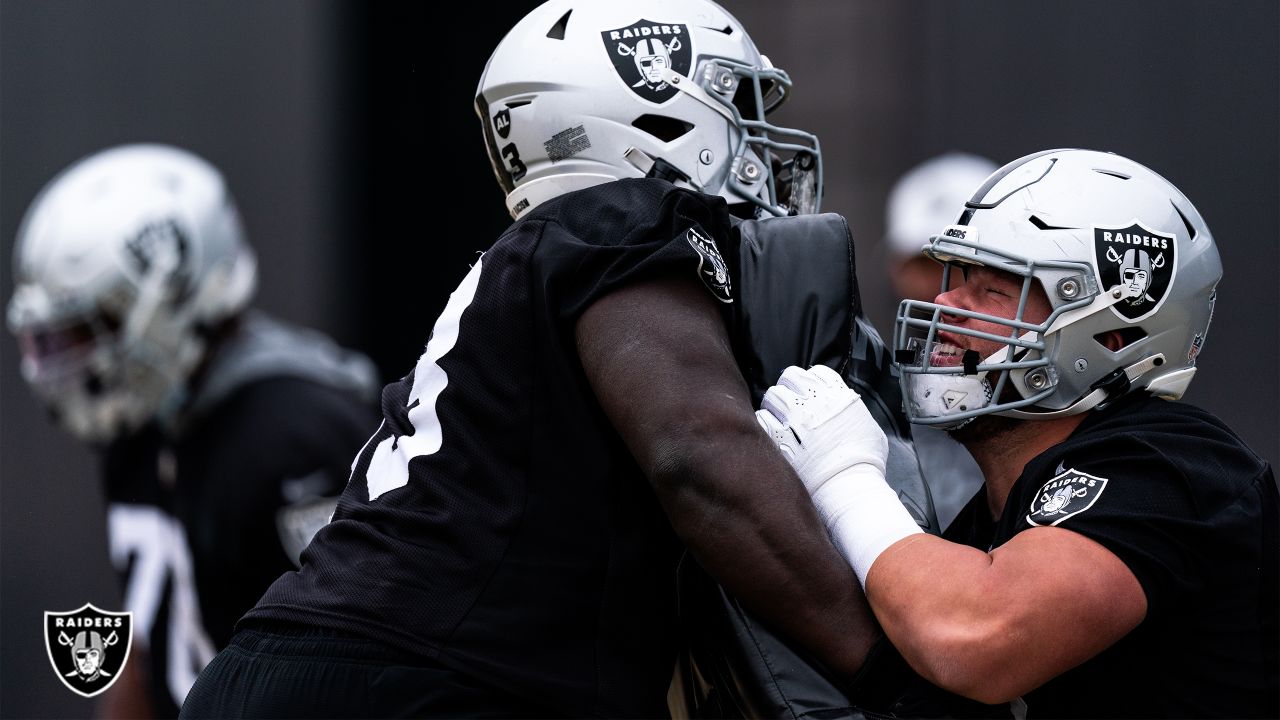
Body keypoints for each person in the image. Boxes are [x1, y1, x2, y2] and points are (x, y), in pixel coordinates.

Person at [181, 1, 936, 717]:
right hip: (408, 678)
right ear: (650, 111)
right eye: (737, 103)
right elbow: (697, 456)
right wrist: (888, 671)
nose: (759, 135)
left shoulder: (548, 260)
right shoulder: (621, 221)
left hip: (353, 668)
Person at [757, 148, 1279, 716]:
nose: (943, 303)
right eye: (960, 279)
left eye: (995, 291)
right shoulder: (998, 511)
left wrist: (844, 478)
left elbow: (977, 641)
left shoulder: (1171, 464)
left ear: (1110, 339)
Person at [7, 144, 381, 717]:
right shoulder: (143, 423)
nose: (68, 364)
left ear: (171, 300)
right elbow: (153, 638)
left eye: (90, 331)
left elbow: (365, 665)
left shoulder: (296, 434)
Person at [883, 152, 995, 530]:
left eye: (960, 269)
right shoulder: (866, 381)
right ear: (895, 268)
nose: (943, 293)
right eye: (926, 264)